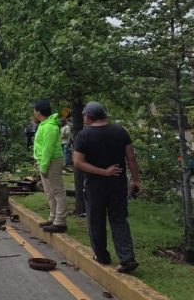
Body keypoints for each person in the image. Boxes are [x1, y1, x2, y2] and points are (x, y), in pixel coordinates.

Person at [72, 101, 140, 273]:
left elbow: (78, 162)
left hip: (96, 186)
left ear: (89, 116)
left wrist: (103, 172)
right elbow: (131, 158)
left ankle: (101, 256)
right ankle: (127, 258)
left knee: (96, 220)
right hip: (118, 184)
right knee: (119, 220)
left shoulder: (84, 135)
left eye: (84, 115)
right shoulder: (120, 131)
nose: (84, 118)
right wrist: (136, 180)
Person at [32, 100, 68, 233]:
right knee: (49, 192)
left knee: (58, 191)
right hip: (45, 161)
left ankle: (60, 222)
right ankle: (53, 217)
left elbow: (48, 149)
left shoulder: (50, 127)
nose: (33, 112)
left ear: (39, 112)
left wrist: (44, 167)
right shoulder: (44, 124)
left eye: (34, 110)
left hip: (51, 161)